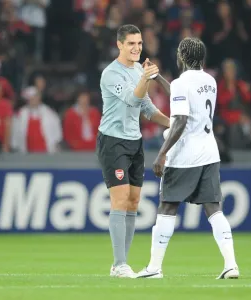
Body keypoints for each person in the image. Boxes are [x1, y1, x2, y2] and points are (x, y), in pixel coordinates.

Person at [136, 37, 239, 279]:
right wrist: (159, 78)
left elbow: (180, 119)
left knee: (167, 207)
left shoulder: (183, 83)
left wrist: (161, 154)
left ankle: (154, 268)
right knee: (214, 209)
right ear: (201, 58)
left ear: (181, 57)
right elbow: (184, 98)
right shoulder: (210, 81)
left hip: (185, 154)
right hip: (209, 152)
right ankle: (231, 264)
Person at [96, 24, 171, 278]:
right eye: (131, 43)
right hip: (113, 141)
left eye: (139, 43)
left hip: (134, 141)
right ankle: (119, 265)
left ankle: (122, 263)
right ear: (119, 45)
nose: (137, 48)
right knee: (120, 198)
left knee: (133, 202)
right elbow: (132, 99)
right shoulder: (111, 74)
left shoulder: (139, 69)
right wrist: (144, 78)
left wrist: (174, 123)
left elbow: (147, 109)